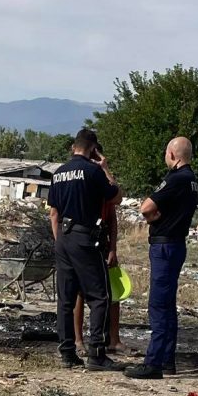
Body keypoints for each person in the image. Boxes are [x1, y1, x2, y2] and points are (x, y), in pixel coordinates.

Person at [48, 128, 124, 371]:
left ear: (73, 147)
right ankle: (97, 354)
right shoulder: (93, 171)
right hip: (84, 237)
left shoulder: (58, 173)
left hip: (63, 237)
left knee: (66, 299)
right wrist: (104, 167)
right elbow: (116, 198)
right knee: (100, 296)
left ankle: (68, 352)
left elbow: (53, 213)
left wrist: (60, 241)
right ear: (93, 149)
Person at [125, 136, 198, 379]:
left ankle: (153, 363)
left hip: (164, 247)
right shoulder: (192, 181)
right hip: (176, 244)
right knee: (168, 306)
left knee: (158, 304)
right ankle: (167, 359)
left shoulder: (176, 179)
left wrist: (152, 217)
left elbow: (146, 207)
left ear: (172, 155)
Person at [73, 144, 126, 355]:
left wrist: (113, 248)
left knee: (112, 291)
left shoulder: (102, 180)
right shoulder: (83, 180)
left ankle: (114, 339)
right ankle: (78, 340)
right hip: (83, 238)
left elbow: (114, 207)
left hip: (102, 239)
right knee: (79, 291)